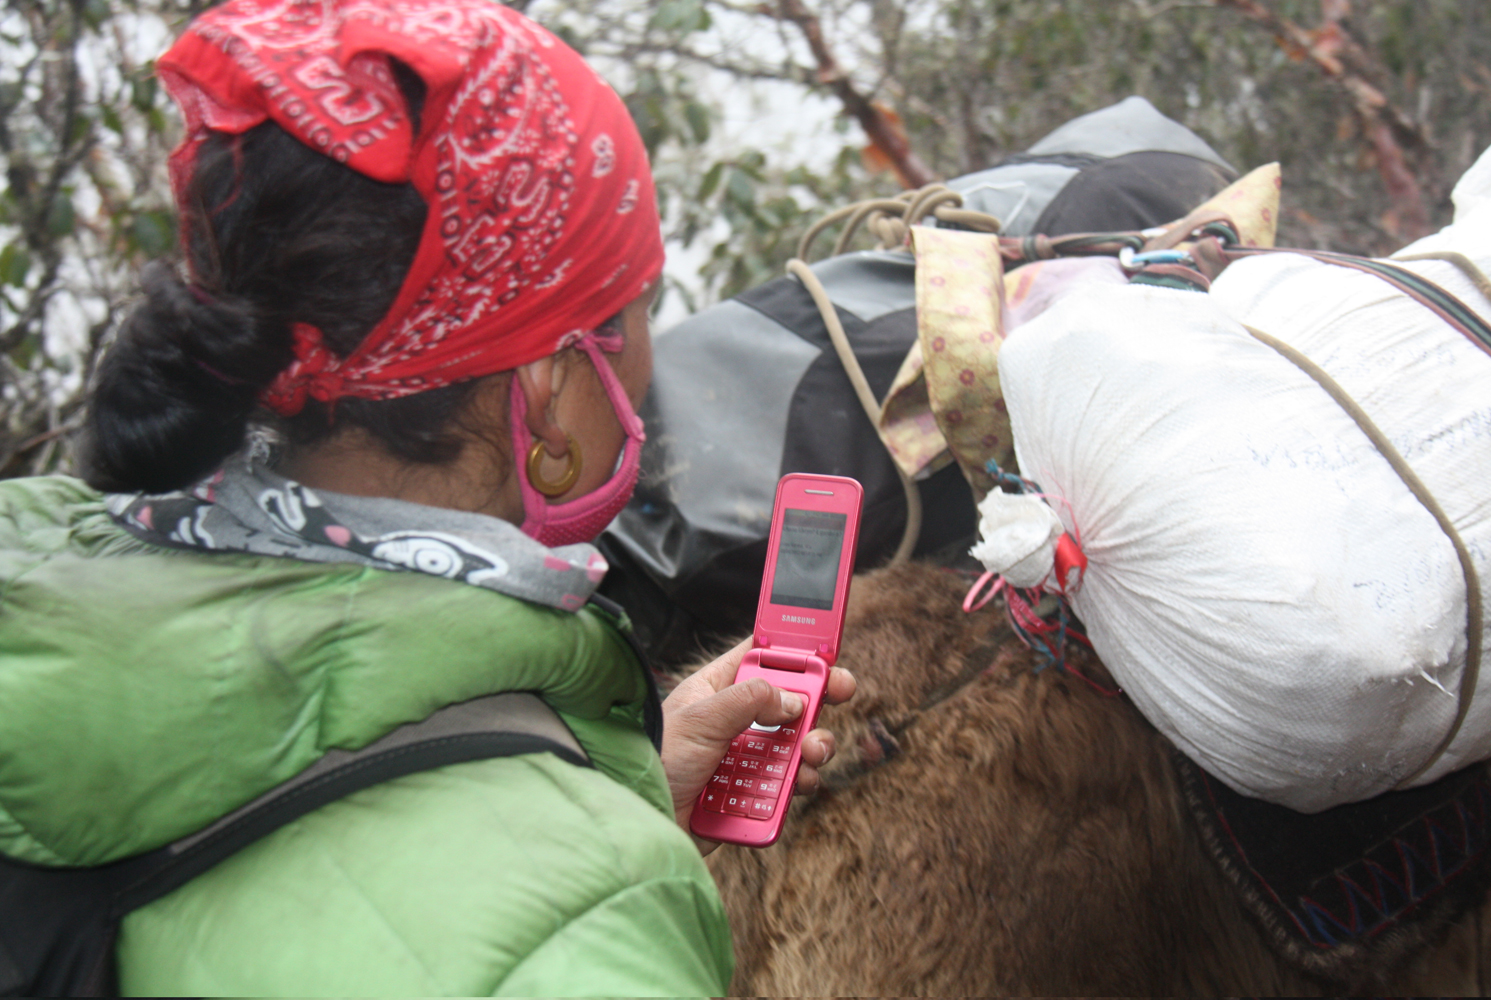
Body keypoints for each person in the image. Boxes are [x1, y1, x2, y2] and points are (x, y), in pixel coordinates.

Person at [0, 0, 853, 994]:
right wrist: (584, 871)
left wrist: (601, 786)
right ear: (545, 382)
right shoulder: (584, 932)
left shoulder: (48, 584)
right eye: (639, 305)